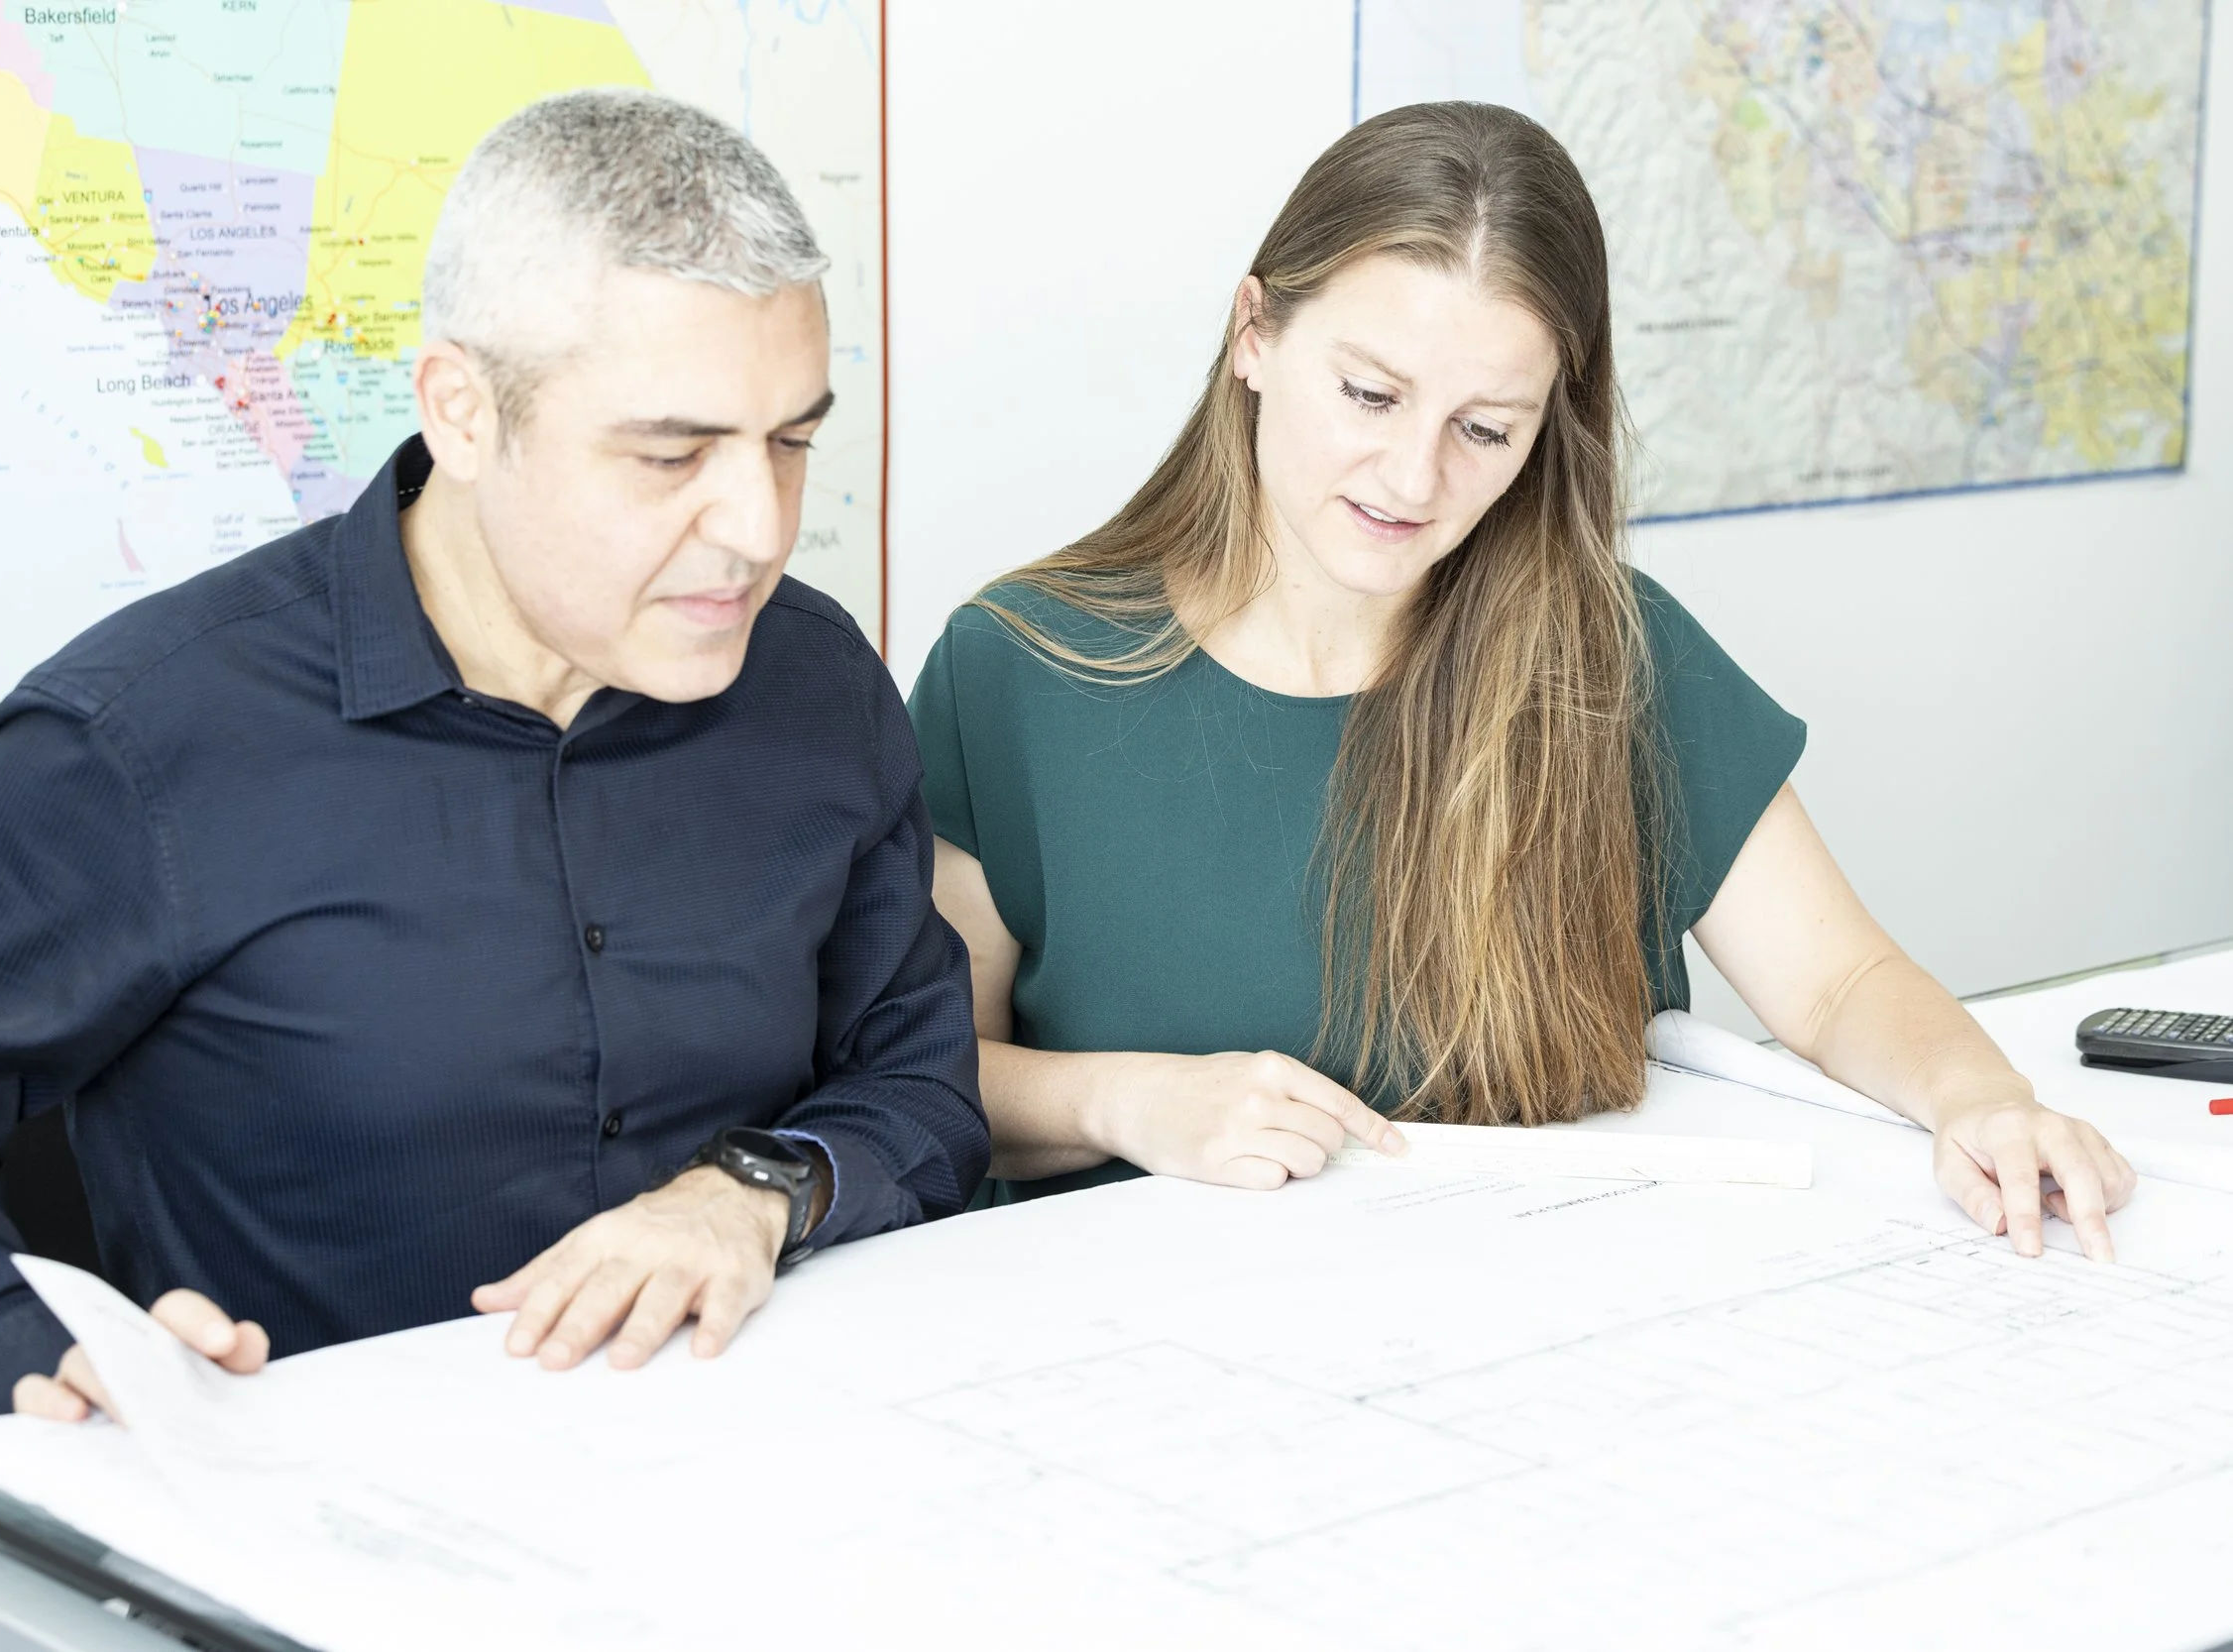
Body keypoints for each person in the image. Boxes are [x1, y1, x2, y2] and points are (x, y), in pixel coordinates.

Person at [0, 90, 986, 1432]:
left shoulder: (815, 681)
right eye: (670, 453)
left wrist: (754, 1190)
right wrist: (26, 1349)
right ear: (463, 412)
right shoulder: (142, 736)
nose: (757, 527)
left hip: (770, 1456)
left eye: (791, 440)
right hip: (312, 1496)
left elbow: (919, 1079)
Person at [909, 101, 2133, 1257]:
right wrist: (1124, 1100)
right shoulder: (1020, 665)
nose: (1412, 477)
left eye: (1485, 428)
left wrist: (1980, 1097)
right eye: (1370, 394)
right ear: (1254, 334)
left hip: (1552, 1321)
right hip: (1149, 1331)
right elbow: (924, 1072)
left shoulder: (1613, 654)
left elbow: (1837, 981)